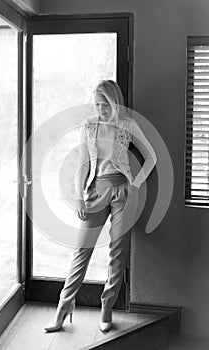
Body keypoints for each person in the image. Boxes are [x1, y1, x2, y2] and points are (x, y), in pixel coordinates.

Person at [44, 79, 157, 333]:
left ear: (114, 101)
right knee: (81, 249)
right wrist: (79, 197)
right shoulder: (89, 126)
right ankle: (63, 306)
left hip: (123, 193)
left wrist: (136, 183)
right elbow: (83, 164)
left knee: (118, 252)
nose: (100, 109)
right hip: (96, 190)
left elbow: (151, 156)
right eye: (96, 104)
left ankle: (107, 306)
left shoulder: (128, 125)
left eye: (104, 104)